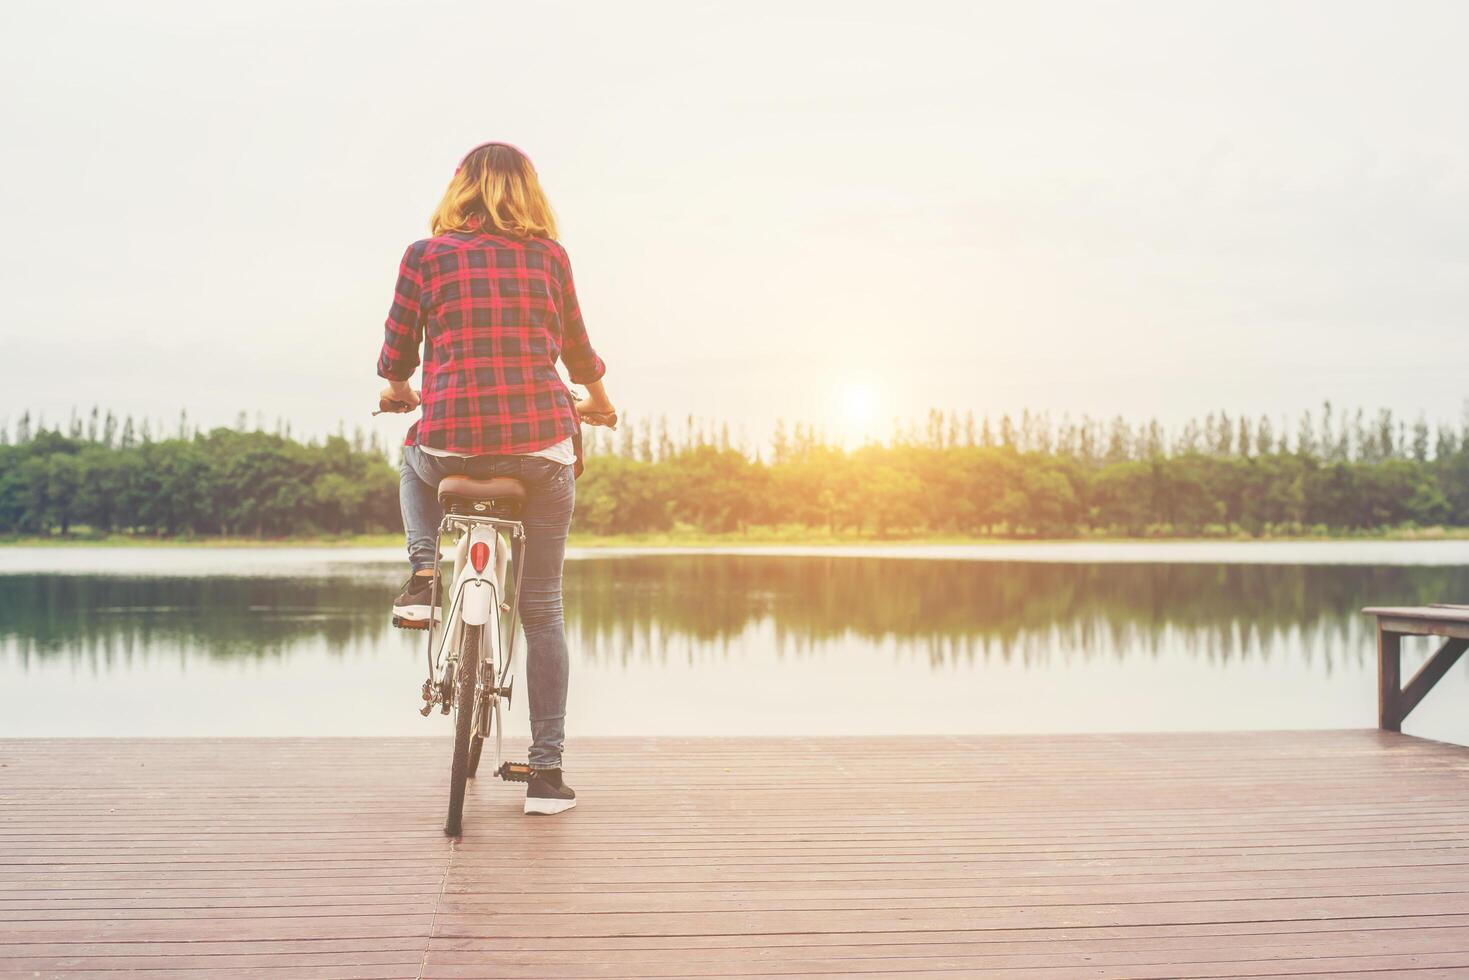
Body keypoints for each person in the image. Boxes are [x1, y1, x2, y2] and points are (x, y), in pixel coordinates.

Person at [375, 141, 615, 816]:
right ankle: (545, 775)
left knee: (411, 458)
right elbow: (578, 351)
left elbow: (396, 351)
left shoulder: (425, 257)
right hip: (539, 453)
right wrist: (596, 401)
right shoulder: (549, 258)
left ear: (458, 190)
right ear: (530, 194)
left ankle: (423, 574)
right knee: (540, 607)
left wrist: (400, 388)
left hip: (449, 443)